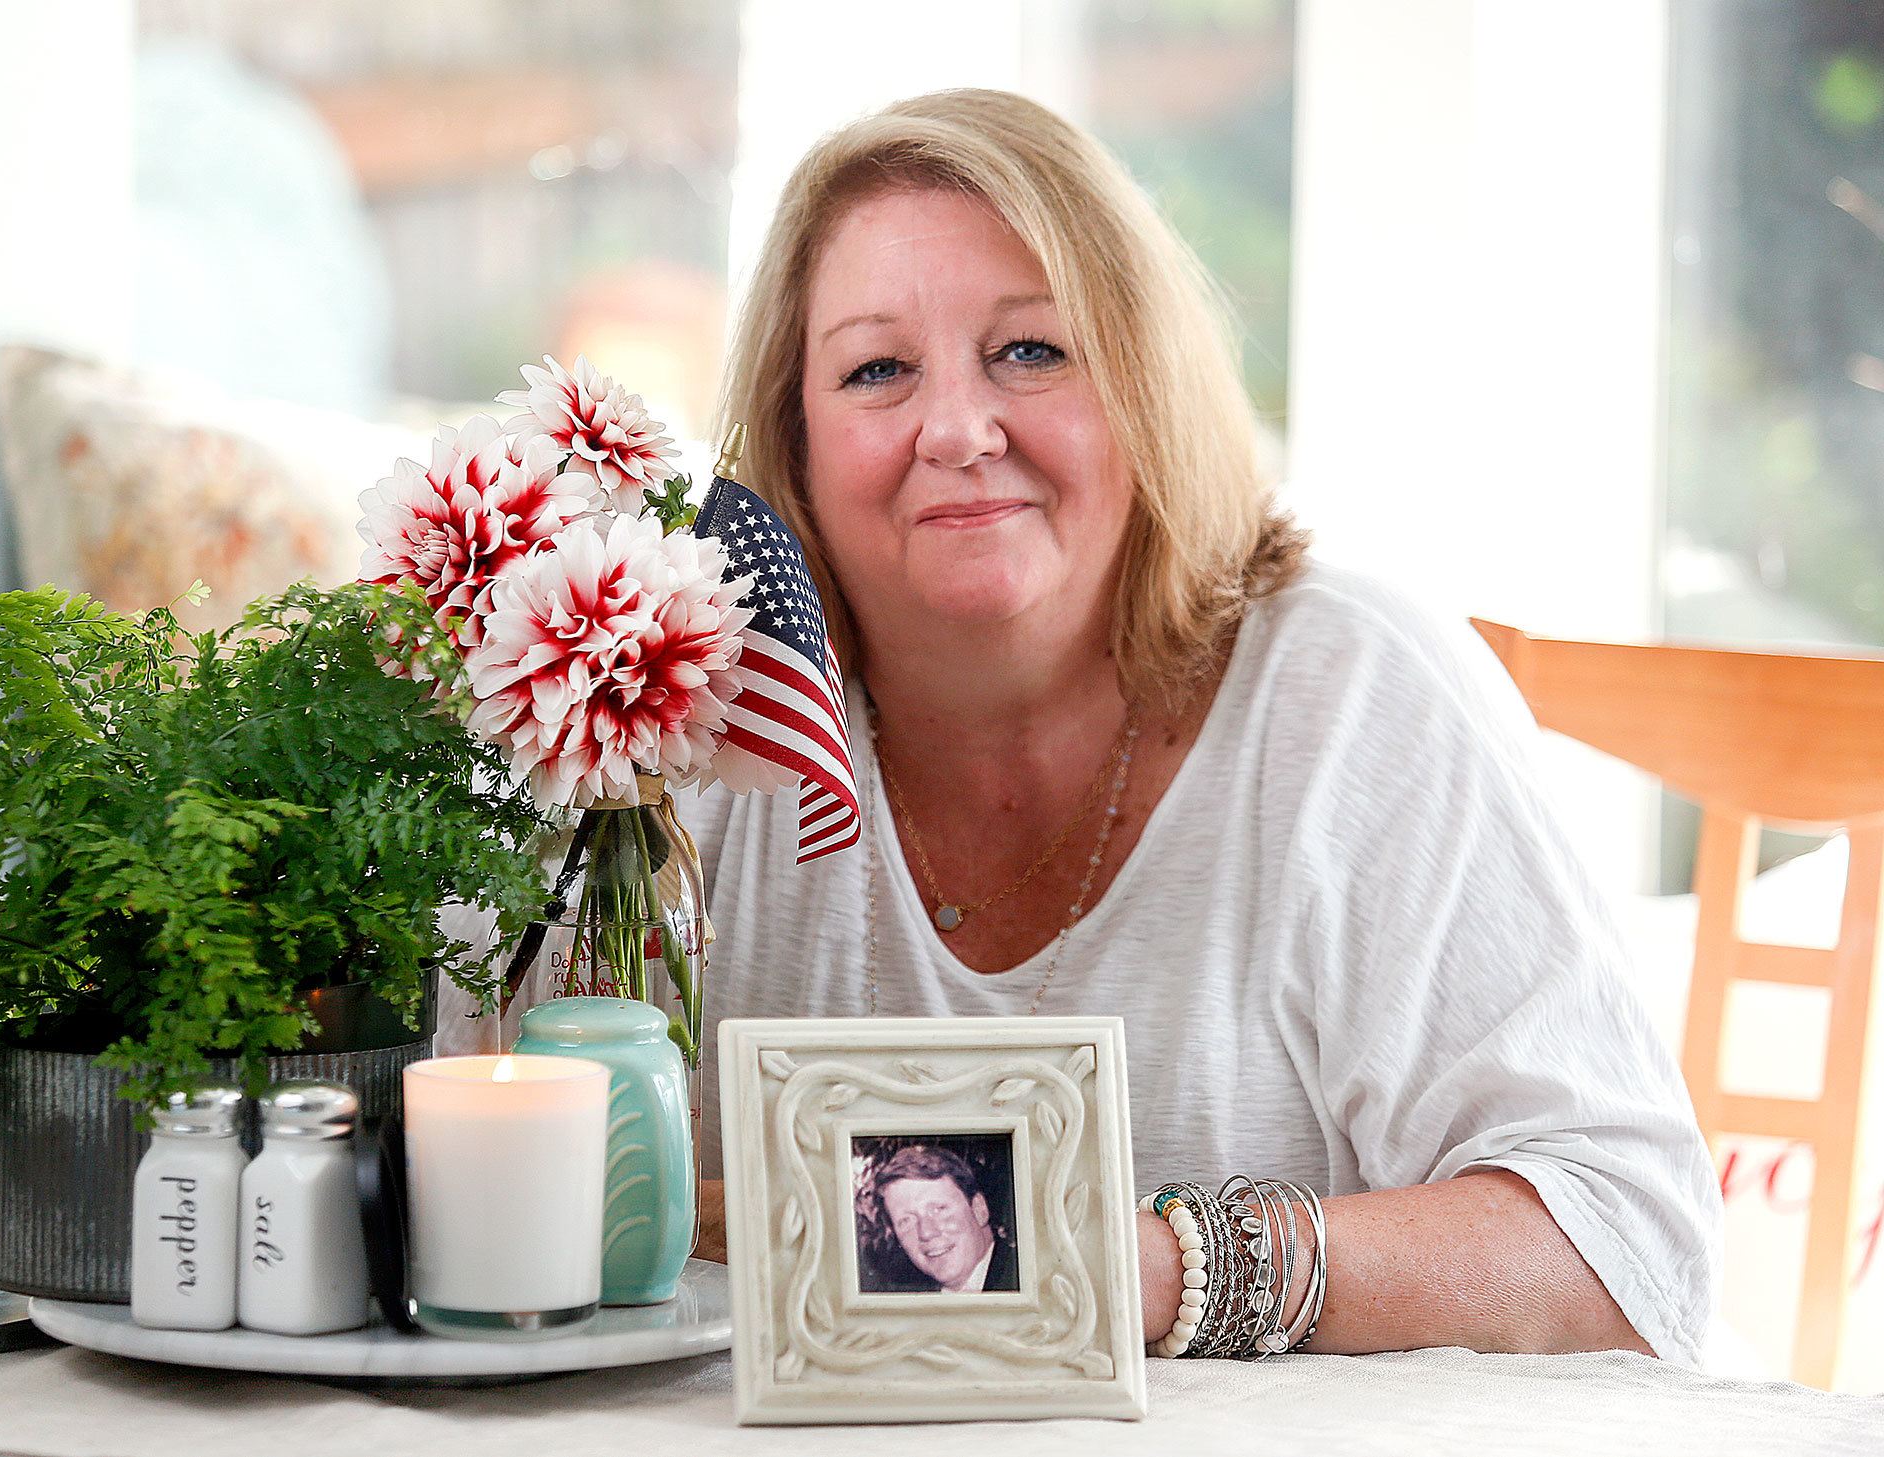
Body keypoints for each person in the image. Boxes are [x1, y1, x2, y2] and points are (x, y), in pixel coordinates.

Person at [675, 86, 1718, 1362]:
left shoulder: (1351, 696)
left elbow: (1624, 1251)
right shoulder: (671, 727)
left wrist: (1152, 1265)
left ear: (1144, 386)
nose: (956, 428)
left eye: (1030, 350)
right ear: (793, 435)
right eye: (876, 369)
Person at [861, 1145, 1018, 1294]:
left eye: (939, 1209)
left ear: (979, 1210)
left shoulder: (1026, 1279)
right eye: (906, 1221)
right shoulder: (902, 1307)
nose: (926, 1233)